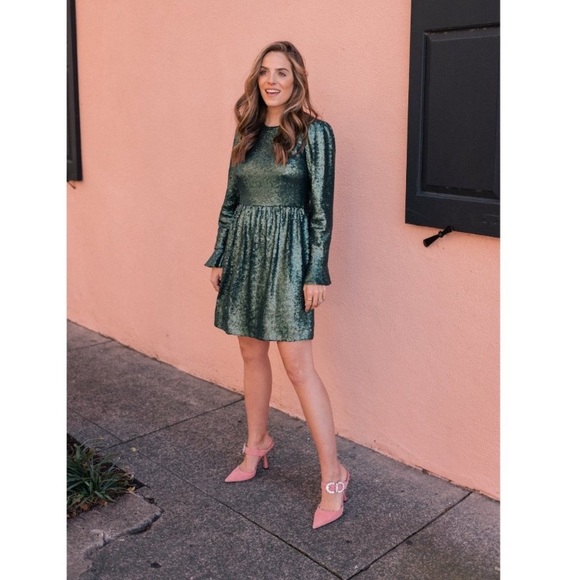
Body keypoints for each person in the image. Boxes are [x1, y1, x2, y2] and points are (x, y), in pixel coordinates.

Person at [205, 41, 348, 529]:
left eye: (282, 72)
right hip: (246, 251)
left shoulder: (315, 133)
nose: (272, 80)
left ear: (296, 80)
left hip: (289, 255)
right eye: (265, 72)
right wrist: (220, 253)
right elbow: (231, 199)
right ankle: (257, 443)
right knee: (251, 352)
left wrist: (316, 270)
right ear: (257, 80)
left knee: (298, 366)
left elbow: (321, 209)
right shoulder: (246, 132)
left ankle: (334, 473)